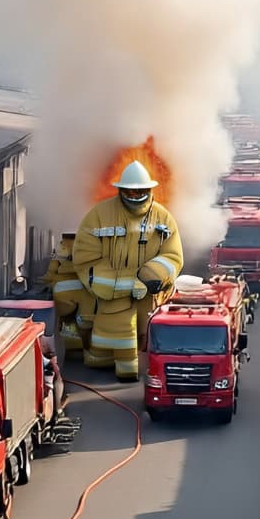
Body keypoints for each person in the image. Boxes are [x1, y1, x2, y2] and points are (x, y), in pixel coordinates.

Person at [71, 155, 184, 379]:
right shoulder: (98, 217)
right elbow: (86, 260)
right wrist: (126, 284)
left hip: (150, 300)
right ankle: (108, 360)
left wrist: (152, 278)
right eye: (130, 191)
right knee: (111, 341)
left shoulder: (163, 218)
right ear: (120, 190)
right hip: (109, 303)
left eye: (140, 191)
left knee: (149, 342)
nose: (135, 196)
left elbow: (173, 257)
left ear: (149, 190)